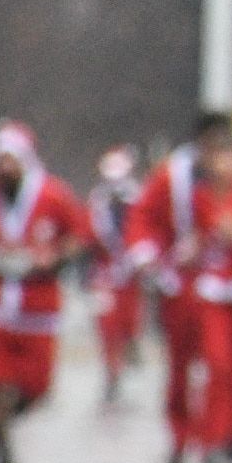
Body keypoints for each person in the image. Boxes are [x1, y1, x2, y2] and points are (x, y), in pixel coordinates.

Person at [127, 113, 232, 463]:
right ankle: (186, 438)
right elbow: (144, 220)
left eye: (227, 150)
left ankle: (231, 434)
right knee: (192, 365)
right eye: (214, 150)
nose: (221, 160)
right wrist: (152, 258)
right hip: (186, 288)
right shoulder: (176, 179)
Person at [0, 119, 93, 463]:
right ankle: (1, 448)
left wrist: (55, 257)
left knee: (37, 388)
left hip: (37, 306)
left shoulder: (54, 196)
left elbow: (80, 236)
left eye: (11, 159)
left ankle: (6, 418)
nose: (3, 168)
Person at [86, 144, 144, 401]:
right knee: (107, 327)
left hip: (130, 276)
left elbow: (143, 233)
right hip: (105, 276)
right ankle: (112, 372)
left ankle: (129, 348)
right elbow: (90, 236)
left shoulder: (138, 200)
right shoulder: (96, 202)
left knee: (128, 324)